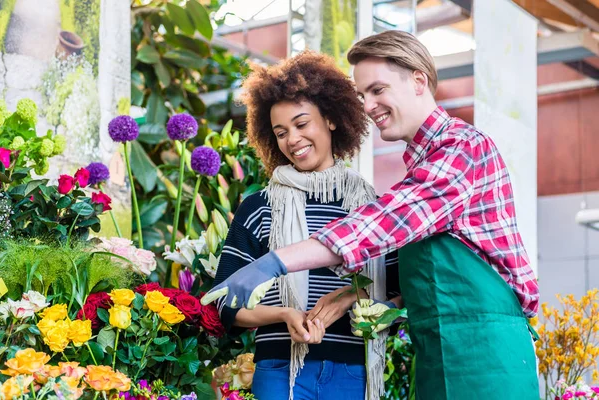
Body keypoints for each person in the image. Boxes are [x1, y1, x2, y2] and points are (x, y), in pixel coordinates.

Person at [204, 30, 541, 398]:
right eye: (362, 95)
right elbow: (419, 281)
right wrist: (358, 298)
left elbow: (381, 223)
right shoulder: (420, 167)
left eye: (378, 90)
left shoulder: (461, 150)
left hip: (485, 353)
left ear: (418, 80)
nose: (367, 105)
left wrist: (275, 263)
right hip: (440, 351)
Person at [212, 50, 401, 400]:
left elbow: (399, 292)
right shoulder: (260, 207)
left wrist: (350, 296)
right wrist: (285, 314)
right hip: (280, 371)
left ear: (330, 118)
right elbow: (224, 304)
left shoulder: (370, 210)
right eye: (280, 132)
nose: (292, 140)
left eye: (301, 124)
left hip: (351, 372)